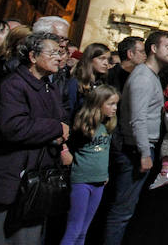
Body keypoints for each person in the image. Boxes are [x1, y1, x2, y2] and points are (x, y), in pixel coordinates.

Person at [0, 32, 71, 245]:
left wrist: (60, 142)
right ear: (33, 57)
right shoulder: (13, 85)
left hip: (34, 185)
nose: (59, 57)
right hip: (6, 182)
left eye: (60, 52)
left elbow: (60, 121)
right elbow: (13, 127)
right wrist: (54, 128)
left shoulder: (50, 87)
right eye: (53, 52)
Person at [103, 30, 168, 245]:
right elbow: (138, 118)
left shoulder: (150, 76)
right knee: (122, 212)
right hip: (135, 151)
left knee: (128, 210)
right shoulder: (143, 77)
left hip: (142, 149)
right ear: (153, 48)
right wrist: (144, 153)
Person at [60, 84, 119, 245]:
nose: (114, 108)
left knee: (84, 229)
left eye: (116, 104)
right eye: (110, 104)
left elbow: (105, 151)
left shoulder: (108, 125)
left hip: (99, 181)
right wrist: (65, 152)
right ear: (98, 103)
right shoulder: (85, 124)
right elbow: (68, 143)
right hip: (81, 180)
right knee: (75, 228)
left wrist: (105, 173)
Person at [64, 42, 112, 123]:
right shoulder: (75, 83)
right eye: (101, 58)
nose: (106, 63)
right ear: (90, 59)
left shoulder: (102, 83)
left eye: (108, 59)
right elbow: (68, 112)